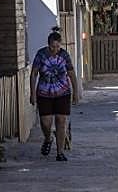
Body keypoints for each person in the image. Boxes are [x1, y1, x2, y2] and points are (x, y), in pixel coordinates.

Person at [29, 27, 80, 161]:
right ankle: (48, 138)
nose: (55, 50)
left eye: (57, 47)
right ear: (48, 44)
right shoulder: (41, 55)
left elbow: (71, 74)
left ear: (60, 45)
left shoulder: (64, 55)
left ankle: (60, 152)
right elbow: (34, 74)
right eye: (52, 47)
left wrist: (75, 92)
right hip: (44, 93)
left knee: (61, 121)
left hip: (62, 92)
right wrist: (32, 93)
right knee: (46, 122)